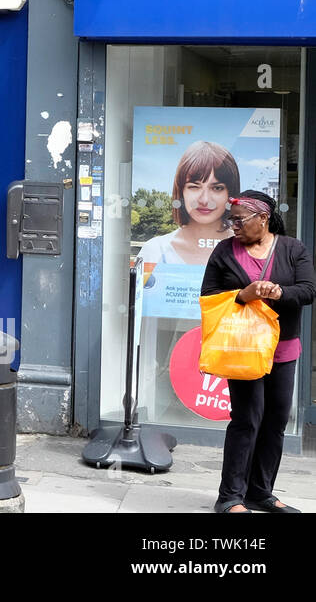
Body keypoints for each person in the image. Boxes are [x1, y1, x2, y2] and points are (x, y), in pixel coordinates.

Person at [201, 191, 316, 513]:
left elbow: (308, 291)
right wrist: (242, 294)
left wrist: (279, 292)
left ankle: (260, 492)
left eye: (239, 220)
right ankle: (230, 497)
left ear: (263, 218)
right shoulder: (225, 252)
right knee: (247, 420)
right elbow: (208, 296)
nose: (232, 226)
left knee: (275, 421)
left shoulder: (293, 249)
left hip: (283, 349)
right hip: (243, 350)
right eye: (230, 221)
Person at [138, 141, 240, 268]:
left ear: (230, 193)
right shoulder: (155, 251)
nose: (205, 199)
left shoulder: (246, 250)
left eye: (217, 188)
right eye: (194, 187)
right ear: (181, 191)